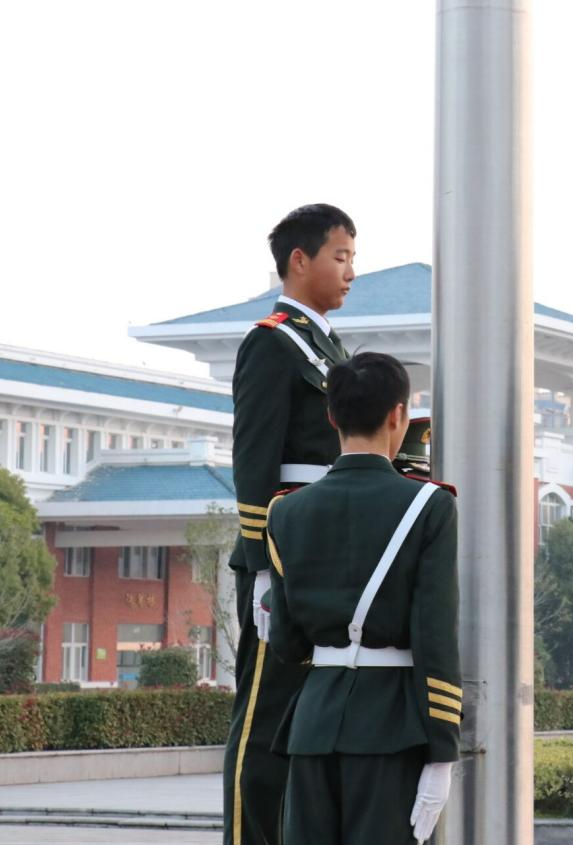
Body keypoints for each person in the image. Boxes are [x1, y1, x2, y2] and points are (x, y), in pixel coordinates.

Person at [264, 352, 461, 845]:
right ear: (399, 414)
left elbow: (287, 642)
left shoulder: (284, 512)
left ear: (331, 416)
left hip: (311, 726)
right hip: (392, 728)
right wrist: (442, 752)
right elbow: (435, 636)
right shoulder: (429, 505)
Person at [223, 203, 357, 845]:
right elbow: (254, 463)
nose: (350, 272)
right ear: (299, 260)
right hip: (283, 555)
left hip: (327, 548)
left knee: (311, 718)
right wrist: (261, 566)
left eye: (353, 258)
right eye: (340, 256)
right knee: (264, 719)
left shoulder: (331, 347)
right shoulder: (271, 342)